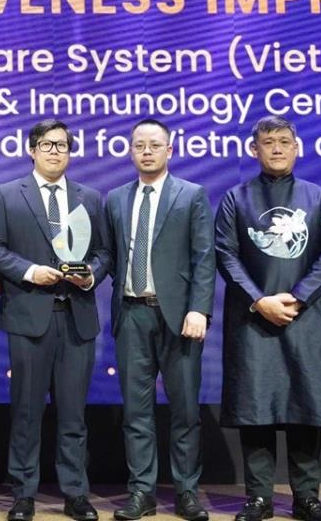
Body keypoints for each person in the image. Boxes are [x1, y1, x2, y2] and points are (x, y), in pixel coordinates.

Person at [215, 115, 321, 521]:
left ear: (296, 147)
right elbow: (225, 254)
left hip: (305, 318)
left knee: (305, 406)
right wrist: (259, 301)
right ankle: (258, 498)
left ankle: (307, 498)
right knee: (257, 409)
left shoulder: (316, 197)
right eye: (267, 142)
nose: (276, 148)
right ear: (254, 149)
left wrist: (300, 297)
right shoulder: (236, 199)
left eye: (284, 141)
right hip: (253, 320)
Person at [0, 119, 112, 521]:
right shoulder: (7, 195)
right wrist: (28, 271)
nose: (55, 151)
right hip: (29, 316)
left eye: (62, 145)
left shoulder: (90, 197)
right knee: (26, 412)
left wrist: (91, 275)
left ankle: (75, 493)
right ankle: (23, 493)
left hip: (77, 318)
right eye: (47, 144)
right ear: (32, 150)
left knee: (73, 414)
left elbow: (105, 252)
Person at [104, 119, 215, 521]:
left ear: (170, 150)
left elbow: (204, 256)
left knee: (185, 411)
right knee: (136, 412)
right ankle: (141, 492)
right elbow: (110, 256)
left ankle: (186, 492)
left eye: (155, 145)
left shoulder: (191, 194)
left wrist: (199, 308)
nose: (147, 151)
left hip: (180, 317)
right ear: (131, 152)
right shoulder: (115, 199)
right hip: (132, 313)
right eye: (139, 145)